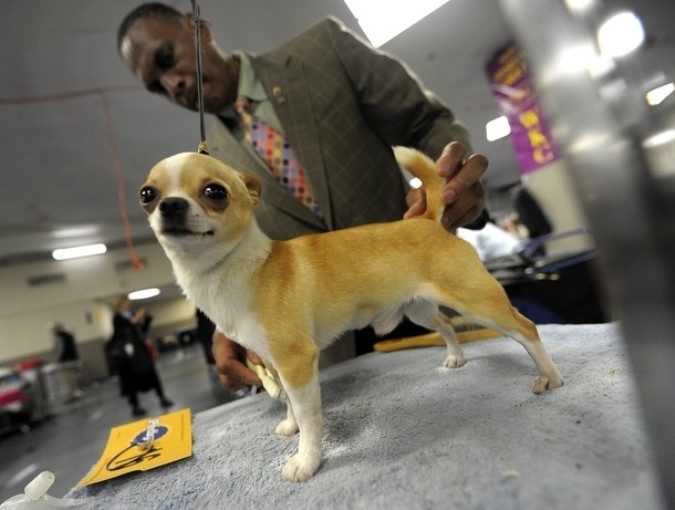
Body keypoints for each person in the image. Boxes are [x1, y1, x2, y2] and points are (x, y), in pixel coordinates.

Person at [117, 3, 490, 391]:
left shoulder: (324, 48)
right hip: (329, 355)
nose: (171, 84)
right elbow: (231, 259)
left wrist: (454, 180)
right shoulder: (209, 170)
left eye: (167, 58)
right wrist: (232, 322)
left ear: (198, 29)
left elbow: (424, 121)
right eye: (156, 85)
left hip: (418, 300)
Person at [107, 296, 173, 416]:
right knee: (131, 381)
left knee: (152, 374)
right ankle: (135, 406)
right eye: (125, 303)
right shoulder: (118, 318)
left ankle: (162, 398)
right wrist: (135, 321)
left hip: (140, 351)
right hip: (128, 355)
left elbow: (142, 330)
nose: (128, 304)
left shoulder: (131, 315)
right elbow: (122, 333)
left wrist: (146, 318)